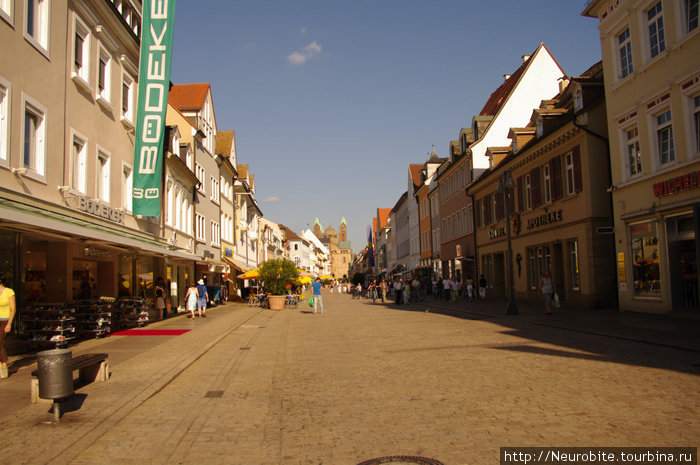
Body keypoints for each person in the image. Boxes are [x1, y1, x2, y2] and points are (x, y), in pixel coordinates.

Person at [0, 276, 16, 379]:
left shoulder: (9, 292)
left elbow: (13, 308)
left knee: (0, 342)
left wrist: (9, 323)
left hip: (5, 321)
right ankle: (2, 365)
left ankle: (4, 364)